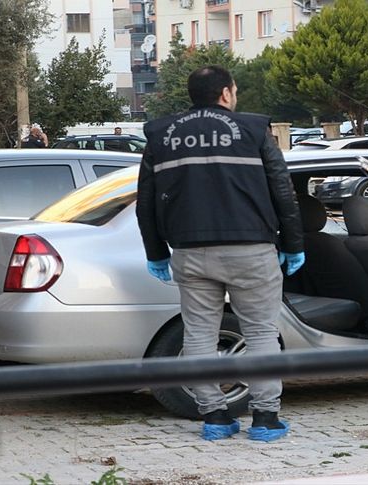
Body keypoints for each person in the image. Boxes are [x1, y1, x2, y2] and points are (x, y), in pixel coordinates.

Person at [136, 65, 305, 441]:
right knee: (261, 332)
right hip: (251, 249)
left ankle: (214, 416)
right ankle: (264, 419)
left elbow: (145, 201)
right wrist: (294, 245)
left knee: (198, 335)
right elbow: (283, 193)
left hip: (190, 252)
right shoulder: (254, 130)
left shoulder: (161, 135)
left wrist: (156, 251)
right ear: (226, 93)